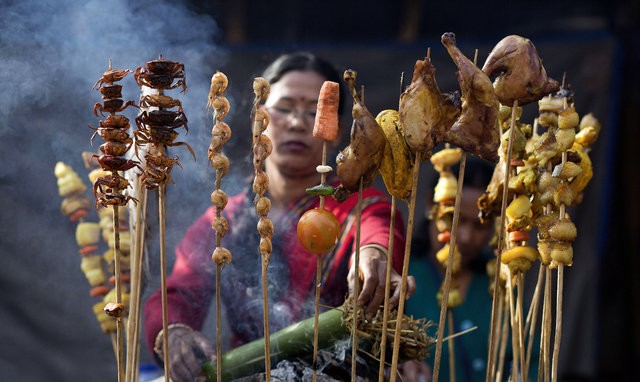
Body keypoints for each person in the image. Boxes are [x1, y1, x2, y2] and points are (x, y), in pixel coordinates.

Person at [143, 52, 415, 382]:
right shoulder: (225, 219)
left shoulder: (359, 206)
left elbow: (378, 232)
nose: (298, 123)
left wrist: (374, 255)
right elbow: (179, 292)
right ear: (260, 117)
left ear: (338, 131)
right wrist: (172, 332)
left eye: (315, 112)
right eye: (284, 108)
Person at [402, 157, 540, 382]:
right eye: (456, 220)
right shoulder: (401, 273)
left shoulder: (501, 279)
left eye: (479, 226)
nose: (466, 237)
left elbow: (530, 360)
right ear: (430, 204)